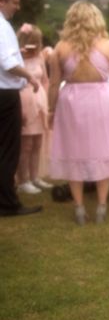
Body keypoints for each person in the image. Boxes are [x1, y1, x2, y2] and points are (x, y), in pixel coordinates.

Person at [49, 1, 109, 225]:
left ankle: (79, 207)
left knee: (74, 151)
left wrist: (50, 109)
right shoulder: (108, 45)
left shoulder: (61, 47)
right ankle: (102, 205)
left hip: (72, 101)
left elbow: (54, 84)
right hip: (102, 100)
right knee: (104, 148)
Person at [0, 0, 42, 216]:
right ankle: (7, 203)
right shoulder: (1, 25)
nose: (17, 7)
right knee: (8, 149)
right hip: (5, 95)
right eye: (14, 2)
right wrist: (30, 76)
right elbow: (7, 63)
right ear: (1, 0)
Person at [16, 23, 53, 194]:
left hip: (39, 103)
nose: (37, 46)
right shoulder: (16, 59)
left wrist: (44, 99)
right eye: (34, 42)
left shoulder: (40, 59)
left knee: (38, 141)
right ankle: (23, 180)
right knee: (26, 144)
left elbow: (45, 79)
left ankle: (34, 176)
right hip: (24, 102)